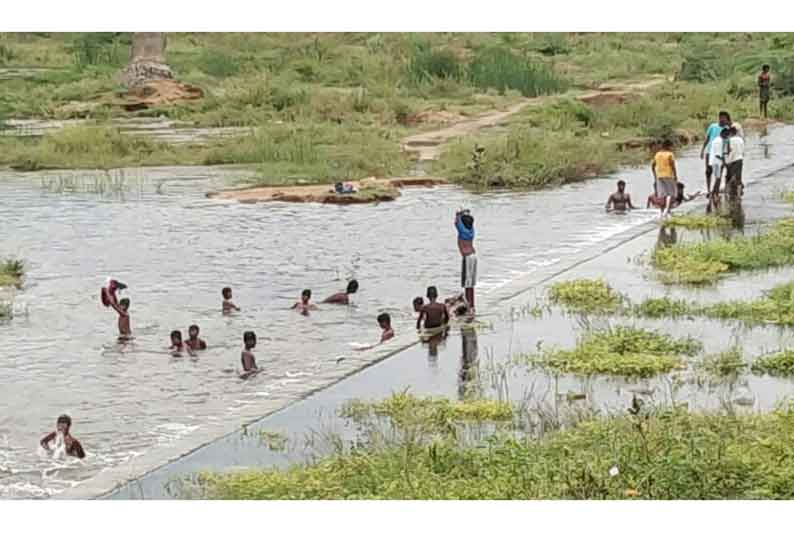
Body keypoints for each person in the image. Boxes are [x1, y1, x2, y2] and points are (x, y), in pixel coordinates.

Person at [700, 111, 730, 193]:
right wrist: (702, 150)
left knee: (718, 172)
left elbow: (727, 143)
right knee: (708, 171)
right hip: (710, 152)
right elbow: (707, 139)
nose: (722, 119)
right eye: (721, 117)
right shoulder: (712, 126)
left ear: (727, 119)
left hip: (720, 154)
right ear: (719, 118)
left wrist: (726, 155)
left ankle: (715, 190)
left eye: (724, 118)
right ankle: (709, 190)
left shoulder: (727, 129)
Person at [455, 209, 477, 315]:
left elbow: (456, 222)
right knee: (471, 284)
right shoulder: (471, 231)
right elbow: (466, 221)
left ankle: (469, 307)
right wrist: (465, 213)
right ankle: (471, 305)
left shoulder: (463, 232)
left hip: (467, 258)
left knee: (467, 284)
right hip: (473, 256)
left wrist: (459, 213)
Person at [651, 139, 678, 217]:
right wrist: (676, 175)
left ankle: (662, 211)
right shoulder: (670, 154)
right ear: (668, 146)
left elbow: (653, 165)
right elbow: (673, 166)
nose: (672, 148)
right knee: (671, 194)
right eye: (671, 146)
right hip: (669, 175)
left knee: (662, 194)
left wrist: (655, 175)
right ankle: (668, 210)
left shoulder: (657, 154)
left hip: (659, 176)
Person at [709, 128, 731, 197]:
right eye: (726, 135)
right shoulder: (719, 141)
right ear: (723, 133)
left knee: (717, 178)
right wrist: (724, 163)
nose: (727, 137)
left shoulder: (717, 139)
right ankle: (715, 194)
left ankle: (714, 193)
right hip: (717, 162)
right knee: (718, 179)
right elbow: (718, 155)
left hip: (714, 161)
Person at [725, 126, 745, 197]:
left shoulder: (729, 140)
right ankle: (739, 195)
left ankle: (727, 193)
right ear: (736, 132)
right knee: (739, 178)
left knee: (730, 177)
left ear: (730, 133)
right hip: (740, 159)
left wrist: (728, 162)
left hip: (732, 160)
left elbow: (730, 151)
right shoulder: (741, 139)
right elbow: (743, 151)